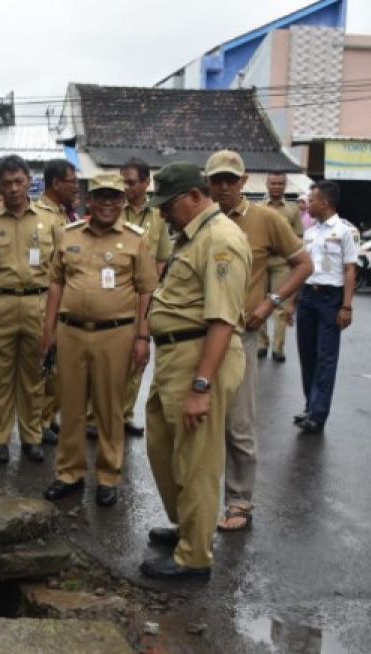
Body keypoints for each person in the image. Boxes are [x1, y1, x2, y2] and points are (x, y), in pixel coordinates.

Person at [140, 163, 249, 581]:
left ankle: (194, 557)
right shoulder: (194, 236)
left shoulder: (221, 239)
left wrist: (201, 385)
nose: (163, 213)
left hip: (199, 357)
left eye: (167, 205)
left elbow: (222, 319)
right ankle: (189, 527)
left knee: (197, 460)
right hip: (175, 357)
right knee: (164, 449)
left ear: (193, 196)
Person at [205, 150, 313, 533]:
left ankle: (239, 501)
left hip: (239, 335)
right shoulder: (200, 220)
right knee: (198, 424)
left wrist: (272, 303)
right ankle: (196, 508)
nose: (223, 187)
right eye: (217, 179)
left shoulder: (265, 220)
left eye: (230, 180)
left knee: (238, 423)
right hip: (198, 336)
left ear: (244, 181)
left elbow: (304, 264)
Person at [41, 173, 157, 506]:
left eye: (114, 197)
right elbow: (56, 284)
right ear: (89, 200)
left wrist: (142, 336)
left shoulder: (137, 239)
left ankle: (108, 476)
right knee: (71, 407)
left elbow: (147, 290)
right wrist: (48, 331)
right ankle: (69, 473)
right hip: (71, 332)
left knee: (109, 409)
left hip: (116, 334)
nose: (107, 203)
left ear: (123, 201)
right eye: (101, 196)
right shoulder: (68, 234)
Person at [0, 154, 61, 465]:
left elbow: (62, 273)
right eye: (7, 184)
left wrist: (58, 317)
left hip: (38, 304)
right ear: (0, 187)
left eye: (19, 181)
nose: (14, 188)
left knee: (35, 377)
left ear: (29, 180)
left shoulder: (50, 221)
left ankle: (32, 438)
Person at [115, 158, 174, 438]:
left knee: (137, 355)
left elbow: (162, 258)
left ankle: (125, 414)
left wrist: (151, 286)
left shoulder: (159, 215)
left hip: (145, 295)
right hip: (114, 293)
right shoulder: (113, 209)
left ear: (146, 183)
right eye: (123, 181)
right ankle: (96, 416)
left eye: (132, 182)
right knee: (107, 358)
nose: (126, 187)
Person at [294, 181, 359, 434]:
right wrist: (293, 302)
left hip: (331, 298)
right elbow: (301, 268)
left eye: (312, 200)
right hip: (308, 296)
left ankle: (319, 414)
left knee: (326, 358)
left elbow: (350, 269)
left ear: (325, 202)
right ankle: (310, 405)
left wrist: (346, 306)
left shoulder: (345, 231)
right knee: (307, 355)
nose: (308, 204)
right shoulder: (309, 232)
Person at [35, 159, 80, 445]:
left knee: (59, 371)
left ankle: (49, 418)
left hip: (65, 304)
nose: (76, 186)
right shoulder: (38, 216)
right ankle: (36, 426)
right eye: (72, 181)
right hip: (43, 302)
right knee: (43, 368)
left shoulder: (67, 216)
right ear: (56, 183)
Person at [257, 171, 304, 362]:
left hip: (282, 263)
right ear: (267, 185)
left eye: (280, 184)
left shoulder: (293, 210)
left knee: (280, 305)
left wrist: (295, 263)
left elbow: (298, 238)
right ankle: (262, 344)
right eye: (273, 183)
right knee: (259, 303)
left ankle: (278, 347)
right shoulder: (257, 208)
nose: (276, 187)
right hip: (261, 261)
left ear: (285, 186)